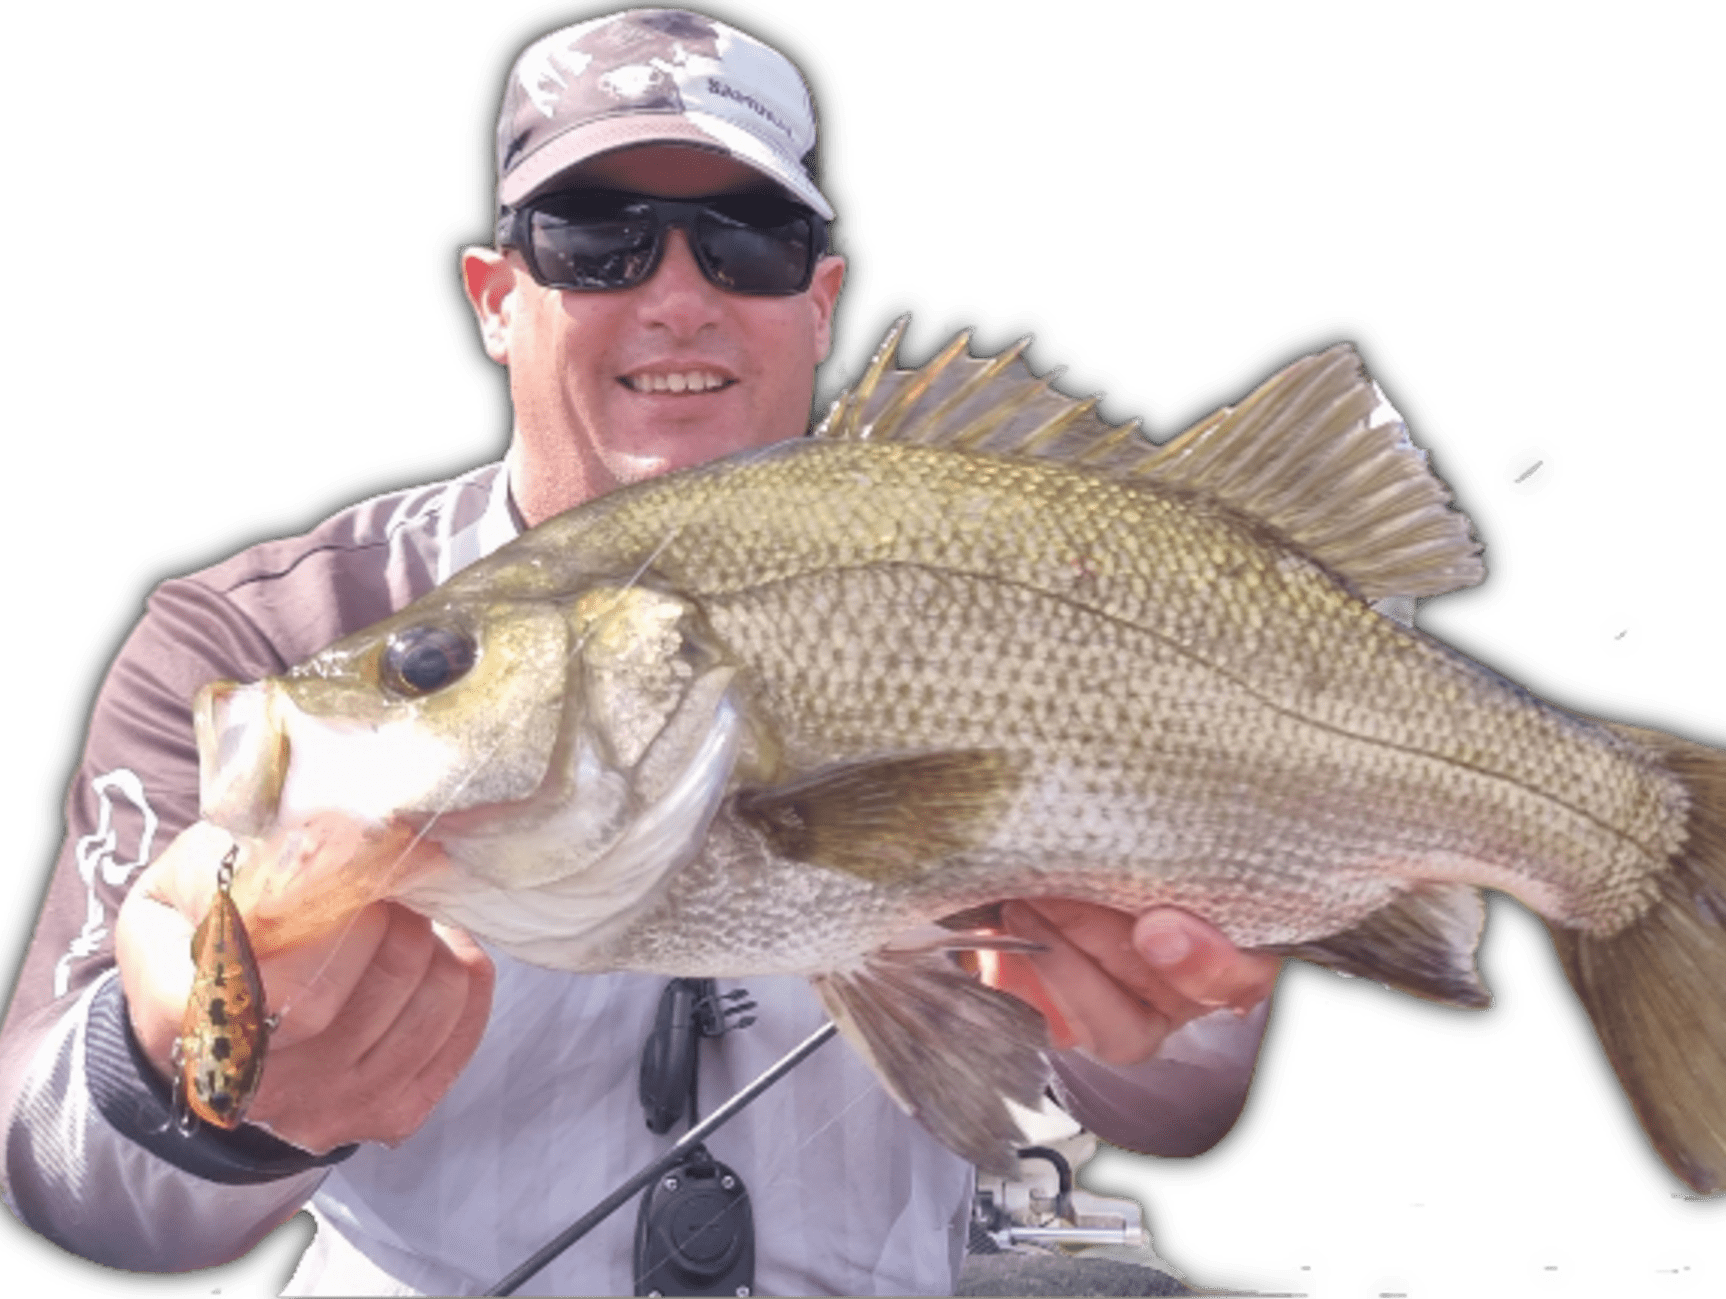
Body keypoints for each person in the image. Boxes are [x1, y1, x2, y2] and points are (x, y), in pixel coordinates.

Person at [0, 8, 1281, 1294]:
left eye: (752, 242)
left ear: (822, 300)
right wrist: (184, 1078)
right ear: (496, 299)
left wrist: (1141, 1018)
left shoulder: (1046, 582)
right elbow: (66, 1191)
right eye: (596, 238)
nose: (678, 299)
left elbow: (1187, 1115)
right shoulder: (261, 633)